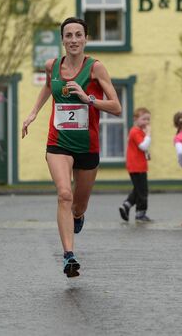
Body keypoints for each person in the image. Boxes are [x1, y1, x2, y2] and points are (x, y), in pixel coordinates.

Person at [22, 17, 122, 278]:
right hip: (58, 142)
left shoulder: (96, 68)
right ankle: (69, 256)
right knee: (64, 194)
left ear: (86, 39)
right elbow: (48, 87)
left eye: (79, 35)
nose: (74, 40)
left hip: (87, 146)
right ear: (63, 40)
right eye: (69, 35)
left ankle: (77, 216)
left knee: (78, 205)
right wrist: (33, 113)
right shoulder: (52, 65)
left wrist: (88, 98)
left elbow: (116, 106)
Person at [119, 107, 152, 222]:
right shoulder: (135, 131)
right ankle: (140, 214)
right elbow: (143, 146)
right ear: (136, 119)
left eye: (148, 119)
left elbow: (143, 149)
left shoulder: (139, 131)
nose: (147, 122)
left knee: (138, 189)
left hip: (139, 165)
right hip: (136, 166)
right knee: (143, 191)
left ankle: (126, 205)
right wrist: (148, 135)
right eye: (144, 119)